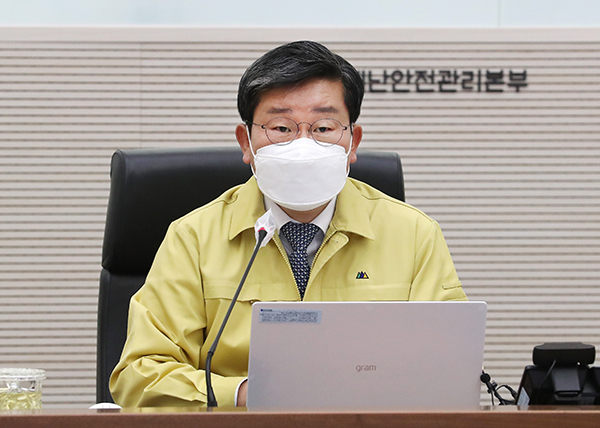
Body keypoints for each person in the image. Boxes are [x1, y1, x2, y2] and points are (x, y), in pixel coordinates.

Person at [109, 40, 467, 408]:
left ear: (352, 143)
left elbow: (450, 367)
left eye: (323, 127)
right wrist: (248, 394)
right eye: (281, 127)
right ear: (246, 143)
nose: (302, 145)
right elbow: (140, 376)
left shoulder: (413, 235)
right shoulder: (194, 238)